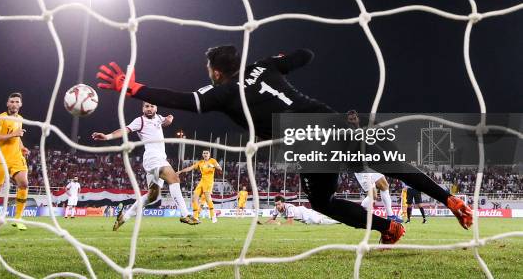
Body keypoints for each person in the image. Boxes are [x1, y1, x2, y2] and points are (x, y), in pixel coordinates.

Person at [96, 46, 472, 244]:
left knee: (323, 201)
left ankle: (388, 228)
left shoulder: (223, 91)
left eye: (209, 69)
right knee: (385, 162)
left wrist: (133, 88)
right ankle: (450, 199)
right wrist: (278, 60)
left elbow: (186, 101)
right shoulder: (265, 65)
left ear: (215, 70)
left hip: (306, 138)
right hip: (329, 117)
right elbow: (306, 54)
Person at [92, 101, 198, 229]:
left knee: (152, 196)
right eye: (146, 106)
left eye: (152, 106)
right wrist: (107, 137)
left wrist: (169, 119)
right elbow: (125, 130)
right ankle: (185, 214)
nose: (149, 108)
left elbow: (165, 122)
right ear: (143, 108)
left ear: (156, 108)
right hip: (153, 158)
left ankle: (124, 217)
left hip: (156, 160)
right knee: (174, 178)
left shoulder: (158, 117)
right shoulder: (140, 121)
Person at [346, 110, 403, 223]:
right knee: (373, 196)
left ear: (358, 118)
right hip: (360, 168)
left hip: (370, 164)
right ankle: (357, 213)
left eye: (354, 118)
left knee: (384, 185)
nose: (353, 121)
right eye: (350, 119)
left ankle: (390, 216)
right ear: (348, 121)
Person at [0, 92, 29, 231]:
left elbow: (18, 137)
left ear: (20, 104)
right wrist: (13, 134)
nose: (14, 104)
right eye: (12, 101)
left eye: (17, 102)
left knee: (24, 184)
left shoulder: (20, 118)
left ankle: (18, 218)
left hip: (16, 158)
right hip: (0, 159)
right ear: (7, 104)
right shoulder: (0, 118)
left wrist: (22, 148)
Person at [178, 150, 222, 223]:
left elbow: (220, 168)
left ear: (209, 154)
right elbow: (190, 167)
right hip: (202, 181)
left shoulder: (212, 160)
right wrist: (181, 171)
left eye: (207, 153)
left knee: (208, 199)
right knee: (194, 198)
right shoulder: (200, 162)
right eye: (204, 153)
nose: (205, 154)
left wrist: (213, 166)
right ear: (202, 154)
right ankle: (195, 217)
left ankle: (213, 215)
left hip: (209, 182)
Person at [265, 195, 339, 225]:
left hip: (305, 213)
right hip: (303, 217)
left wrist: (280, 224)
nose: (277, 206)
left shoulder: (289, 208)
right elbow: (272, 218)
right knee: (317, 220)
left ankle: (338, 221)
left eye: (279, 204)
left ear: (283, 203)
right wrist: (264, 224)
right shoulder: (276, 208)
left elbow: (290, 223)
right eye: (276, 204)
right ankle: (333, 217)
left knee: (319, 221)